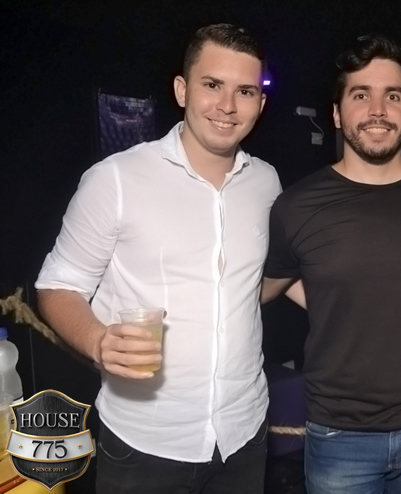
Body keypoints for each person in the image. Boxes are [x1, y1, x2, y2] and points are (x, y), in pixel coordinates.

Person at [35, 23, 280, 494]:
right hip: (144, 443)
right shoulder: (115, 179)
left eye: (245, 91)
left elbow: (251, 283)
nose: (228, 105)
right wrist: (98, 341)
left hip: (244, 435)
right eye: (212, 85)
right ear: (182, 89)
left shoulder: (266, 183)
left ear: (260, 103)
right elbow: (58, 284)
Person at [261, 35, 401, 493]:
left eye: (393, 96)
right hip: (340, 436)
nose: (378, 110)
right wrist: (327, 295)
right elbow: (265, 288)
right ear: (337, 114)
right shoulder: (297, 206)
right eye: (361, 95)